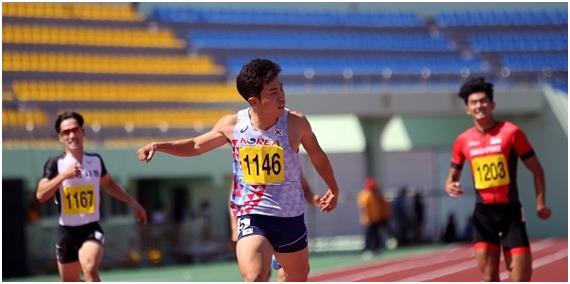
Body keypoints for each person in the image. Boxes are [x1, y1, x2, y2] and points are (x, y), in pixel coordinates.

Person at [137, 58, 340, 281]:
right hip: (252, 214)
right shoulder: (233, 126)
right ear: (254, 101)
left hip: (289, 216)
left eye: (281, 88)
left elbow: (316, 155)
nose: (281, 95)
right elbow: (196, 145)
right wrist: (159, 145)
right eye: (273, 92)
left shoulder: (295, 123)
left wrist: (333, 188)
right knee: (254, 276)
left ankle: (278, 262)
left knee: (296, 278)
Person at [445, 77, 551, 281]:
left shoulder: (512, 133)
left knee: (521, 277)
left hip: (511, 212)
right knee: (489, 277)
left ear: (492, 104)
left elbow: (537, 170)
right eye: (473, 102)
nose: (479, 106)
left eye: (483, 101)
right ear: (467, 109)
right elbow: (452, 176)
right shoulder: (462, 140)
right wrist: (451, 185)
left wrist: (540, 203)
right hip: (483, 216)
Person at [36, 111, 147, 282]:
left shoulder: (95, 161)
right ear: (60, 137)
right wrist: (64, 176)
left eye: (75, 130)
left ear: (83, 132)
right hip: (66, 231)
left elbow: (109, 183)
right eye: (66, 132)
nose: (72, 135)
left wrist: (133, 203)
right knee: (70, 280)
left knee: (89, 267)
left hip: (90, 228)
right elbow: (41, 195)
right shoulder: (56, 164)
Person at [229, 174, 320, 281]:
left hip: (286, 224)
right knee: (257, 275)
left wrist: (315, 199)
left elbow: (306, 190)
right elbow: (234, 196)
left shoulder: (289, 162)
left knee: (285, 277)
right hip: (256, 221)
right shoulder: (245, 164)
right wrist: (234, 227)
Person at [357, 177, 390, 257]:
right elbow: (364, 207)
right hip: (369, 219)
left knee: (376, 235)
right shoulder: (366, 194)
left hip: (376, 218)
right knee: (369, 235)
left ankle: (376, 249)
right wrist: (366, 218)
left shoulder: (375, 194)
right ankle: (368, 250)